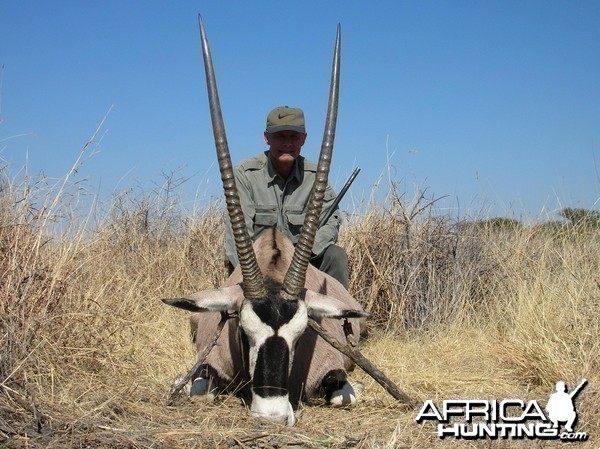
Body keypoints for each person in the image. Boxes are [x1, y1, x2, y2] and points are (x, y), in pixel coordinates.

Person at [224, 106, 349, 288]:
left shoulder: (316, 176)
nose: (287, 143)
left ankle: (340, 315)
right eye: (280, 136)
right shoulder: (245, 174)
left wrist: (303, 254)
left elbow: (332, 221)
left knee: (335, 256)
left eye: (294, 136)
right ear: (267, 138)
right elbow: (238, 232)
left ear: (304, 139)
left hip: (303, 263)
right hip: (259, 266)